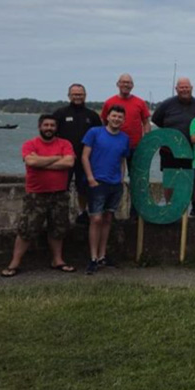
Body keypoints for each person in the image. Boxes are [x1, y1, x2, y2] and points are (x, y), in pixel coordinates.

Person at [1, 115, 76, 277]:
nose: (49, 128)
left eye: (52, 125)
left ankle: (58, 260)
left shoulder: (65, 144)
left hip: (60, 194)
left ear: (56, 128)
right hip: (36, 194)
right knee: (27, 229)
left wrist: (42, 161)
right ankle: (15, 262)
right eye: (46, 125)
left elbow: (69, 163)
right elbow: (31, 162)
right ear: (40, 127)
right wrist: (57, 158)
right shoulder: (30, 144)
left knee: (58, 228)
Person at [82, 105, 131, 275]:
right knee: (96, 219)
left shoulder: (125, 138)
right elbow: (84, 156)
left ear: (123, 120)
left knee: (108, 218)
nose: (116, 119)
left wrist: (122, 179)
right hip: (97, 182)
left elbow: (122, 160)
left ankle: (102, 255)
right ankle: (93, 257)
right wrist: (90, 178)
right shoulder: (95, 133)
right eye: (114, 116)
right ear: (107, 117)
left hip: (114, 184)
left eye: (120, 117)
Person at [101, 74, 150, 217]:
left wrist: (145, 140)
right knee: (114, 178)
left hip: (135, 147)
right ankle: (110, 211)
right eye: (123, 82)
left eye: (129, 83)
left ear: (132, 85)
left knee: (137, 179)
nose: (126, 85)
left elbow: (146, 122)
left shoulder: (140, 103)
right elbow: (104, 123)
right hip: (114, 148)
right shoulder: (109, 102)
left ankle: (136, 212)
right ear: (117, 84)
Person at [52, 83, 102, 225]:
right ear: (69, 96)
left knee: (83, 188)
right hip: (64, 159)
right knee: (62, 188)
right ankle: (60, 213)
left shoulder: (92, 116)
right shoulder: (60, 114)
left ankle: (82, 212)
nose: (77, 97)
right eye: (74, 94)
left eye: (80, 94)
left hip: (85, 160)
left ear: (85, 95)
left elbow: (99, 138)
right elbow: (51, 135)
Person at [151, 77, 195, 206]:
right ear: (176, 89)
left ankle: (192, 209)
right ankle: (170, 206)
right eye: (181, 87)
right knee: (170, 180)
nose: (184, 89)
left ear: (191, 88)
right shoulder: (166, 104)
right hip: (169, 150)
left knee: (192, 179)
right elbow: (156, 120)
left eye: (187, 87)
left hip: (192, 150)